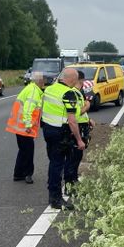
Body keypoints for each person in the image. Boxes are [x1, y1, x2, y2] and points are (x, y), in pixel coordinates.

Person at [41, 68, 84, 210]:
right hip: (61, 132)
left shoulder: (50, 89)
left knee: (53, 163)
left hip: (48, 130)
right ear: (72, 79)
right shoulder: (69, 93)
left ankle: (53, 194)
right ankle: (56, 198)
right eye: (76, 79)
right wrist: (79, 140)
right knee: (58, 165)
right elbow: (72, 121)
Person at [5, 72, 45, 183]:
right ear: (40, 81)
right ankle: (28, 174)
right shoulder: (34, 91)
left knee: (23, 151)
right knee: (28, 151)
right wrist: (28, 125)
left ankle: (18, 174)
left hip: (19, 126)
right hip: (25, 128)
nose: (44, 83)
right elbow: (28, 109)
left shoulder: (31, 88)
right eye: (43, 80)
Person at [64, 70, 95, 193]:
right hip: (76, 128)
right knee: (73, 157)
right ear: (80, 80)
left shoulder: (78, 93)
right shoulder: (74, 93)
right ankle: (69, 185)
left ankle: (73, 180)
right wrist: (87, 105)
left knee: (77, 156)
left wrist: (88, 120)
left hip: (81, 126)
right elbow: (76, 113)